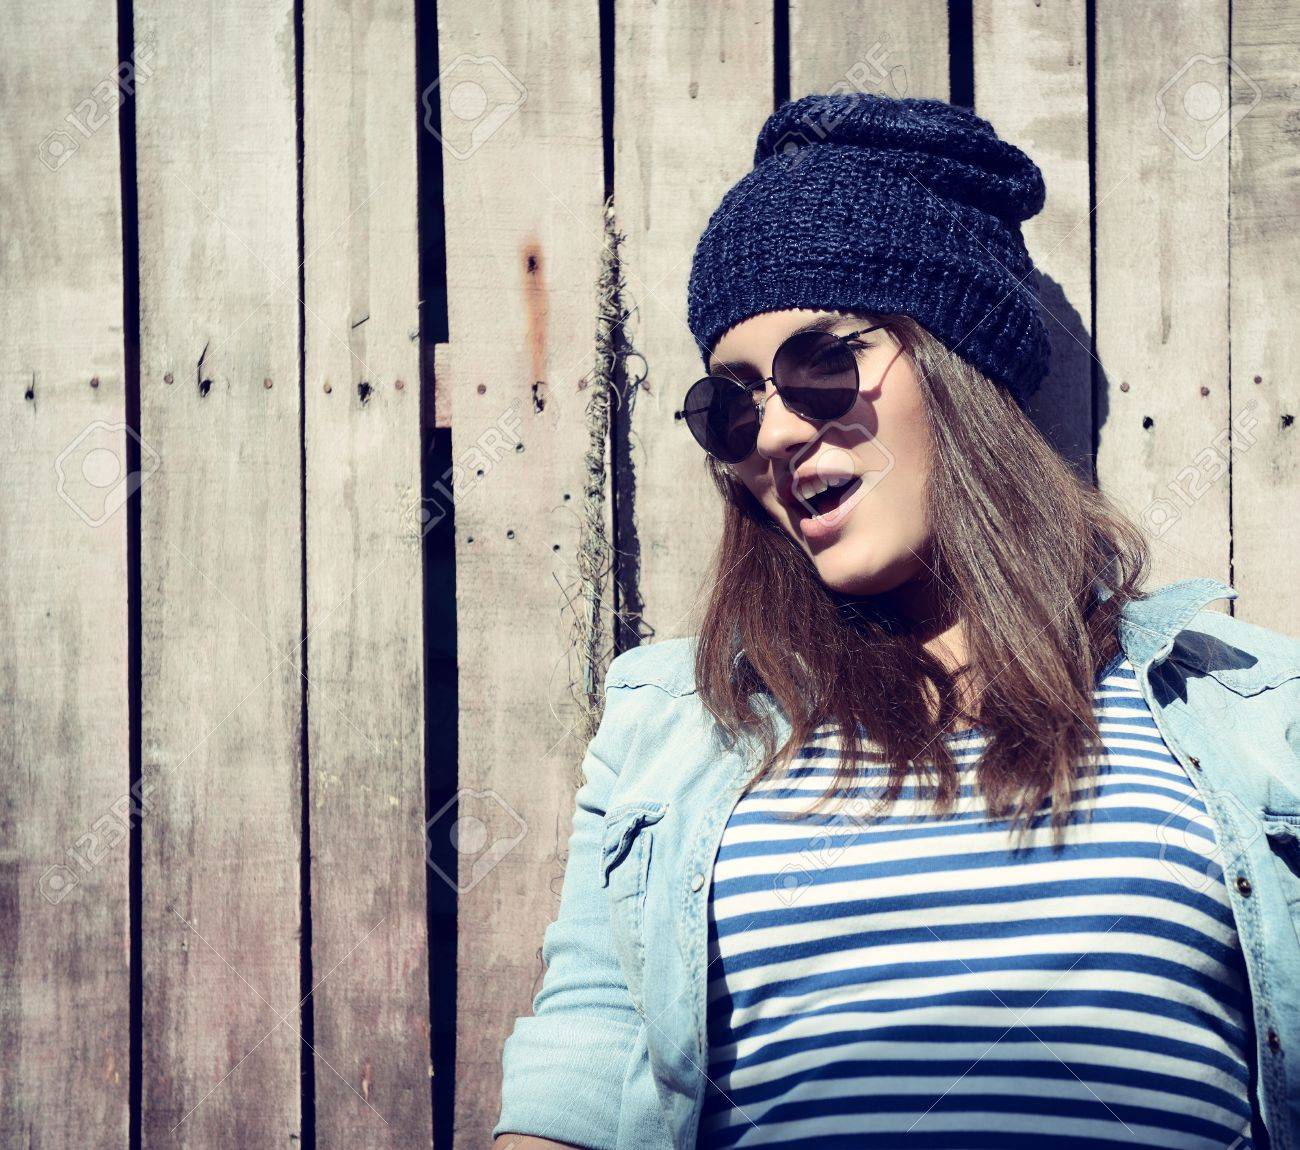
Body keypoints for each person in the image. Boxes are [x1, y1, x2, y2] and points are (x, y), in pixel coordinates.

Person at [491, 90, 1300, 1150]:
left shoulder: (1246, 705)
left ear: (961, 370)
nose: (774, 429)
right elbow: (583, 1076)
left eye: (820, 367)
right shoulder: (677, 721)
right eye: (731, 404)